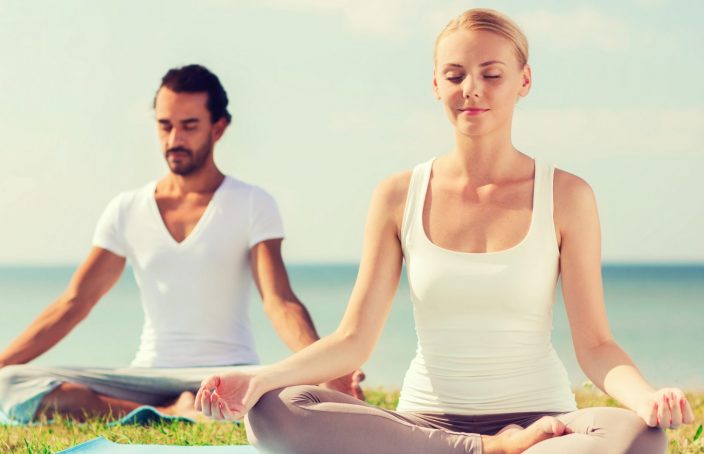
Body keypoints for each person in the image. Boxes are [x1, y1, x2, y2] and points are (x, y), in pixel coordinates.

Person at [194, 9, 695, 454]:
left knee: (641, 437)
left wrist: (648, 398)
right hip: (424, 428)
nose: (471, 88)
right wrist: (259, 379)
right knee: (274, 410)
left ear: (524, 81)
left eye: (491, 74)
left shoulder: (567, 196)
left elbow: (597, 347)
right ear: (435, 84)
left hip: (546, 426)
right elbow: (352, 339)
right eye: (455, 75)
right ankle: (485, 450)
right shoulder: (398, 195)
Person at [0, 64, 362, 423]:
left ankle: (192, 408)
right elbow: (75, 302)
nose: (174, 139)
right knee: (9, 382)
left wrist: (325, 366)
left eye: (189, 126)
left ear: (218, 128)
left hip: (230, 374)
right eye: (165, 125)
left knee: (292, 396)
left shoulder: (252, 203)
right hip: (145, 376)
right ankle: (168, 412)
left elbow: (279, 301)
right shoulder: (127, 208)